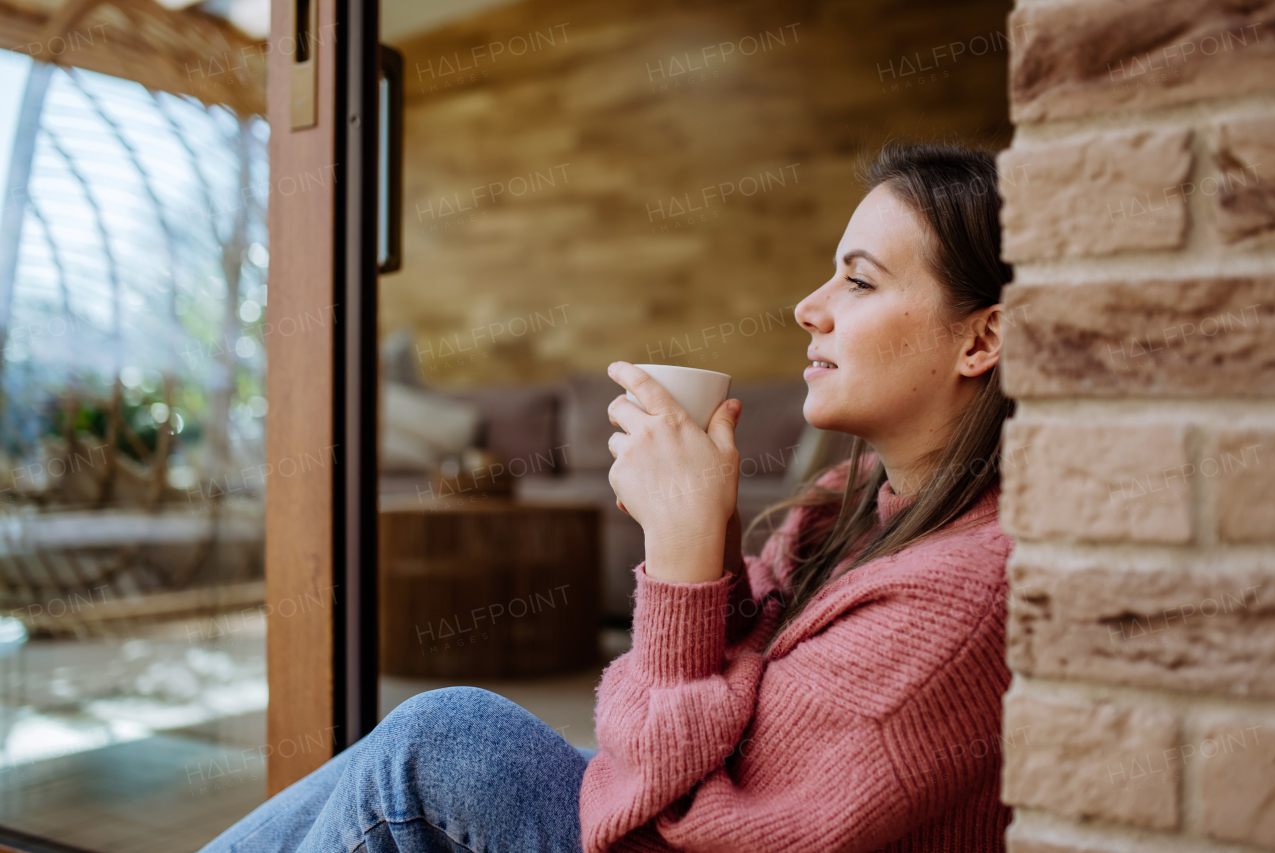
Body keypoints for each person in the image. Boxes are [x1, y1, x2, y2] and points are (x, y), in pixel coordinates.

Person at [197, 140, 1015, 853]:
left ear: (981, 338)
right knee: (436, 737)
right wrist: (713, 532)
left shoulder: (960, 601)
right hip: (674, 811)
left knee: (442, 740)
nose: (808, 308)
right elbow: (738, 694)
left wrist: (683, 562)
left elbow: (661, 798)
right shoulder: (850, 504)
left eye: (859, 283)